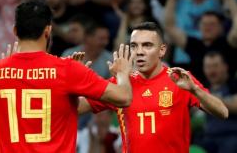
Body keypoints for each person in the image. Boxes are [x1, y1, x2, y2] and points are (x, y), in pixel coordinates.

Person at [0, 0, 134, 153]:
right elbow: (124, 97)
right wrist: (123, 72)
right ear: (48, 31)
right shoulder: (68, 69)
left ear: (15, 30)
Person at [77, 22, 228, 153]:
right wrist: (75, 82)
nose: (140, 51)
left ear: (162, 50)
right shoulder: (121, 83)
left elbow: (222, 112)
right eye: (134, 46)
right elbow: (77, 108)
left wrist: (195, 89)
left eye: (147, 45)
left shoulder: (178, 78)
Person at [201, 51, 237, 153]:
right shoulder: (203, 88)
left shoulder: (233, 85)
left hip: (231, 136)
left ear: (225, 67)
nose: (212, 71)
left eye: (215, 66)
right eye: (208, 67)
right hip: (208, 138)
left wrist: (205, 97)